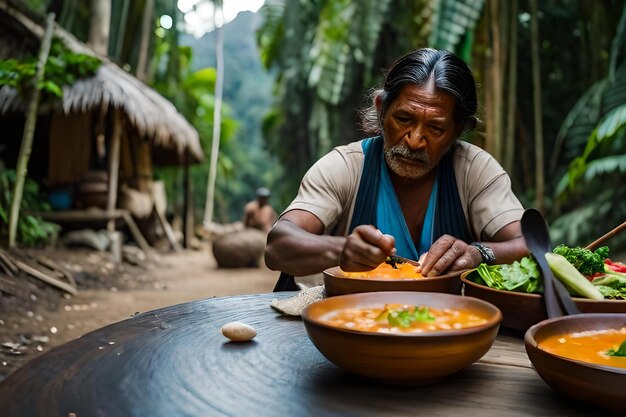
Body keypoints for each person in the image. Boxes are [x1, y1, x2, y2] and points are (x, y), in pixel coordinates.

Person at [265, 48, 529, 290]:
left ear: (459, 130)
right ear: (381, 109)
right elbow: (278, 245)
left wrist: (479, 253)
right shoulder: (345, 166)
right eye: (403, 119)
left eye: (435, 128)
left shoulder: (475, 171)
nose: (414, 141)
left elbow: (529, 245)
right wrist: (343, 249)